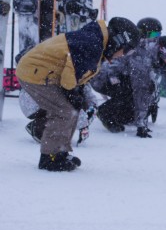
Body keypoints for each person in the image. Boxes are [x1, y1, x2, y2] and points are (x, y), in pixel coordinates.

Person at [16, 19, 136, 171]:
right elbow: (70, 72)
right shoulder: (92, 43)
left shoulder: (96, 42)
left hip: (45, 73)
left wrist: (76, 93)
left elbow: (77, 72)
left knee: (72, 110)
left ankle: (60, 152)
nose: (123, 55)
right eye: (127, 50)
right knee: (63, 111)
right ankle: (49, 157)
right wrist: (72, 92)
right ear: (119, 41)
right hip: (35, 73)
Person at [92, 18, 166, 138]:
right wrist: (141, 125)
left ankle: (124, 115)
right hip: (102, 78)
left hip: (118, 75)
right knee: (134, 91)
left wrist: (151, 106)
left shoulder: (153, 53)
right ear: (163, 52)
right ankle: (106, 113)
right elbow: (142, 91)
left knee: (143, 91)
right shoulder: (143, 58)